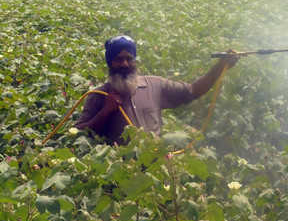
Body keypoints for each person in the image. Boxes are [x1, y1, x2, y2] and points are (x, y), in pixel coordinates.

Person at [76, 35, 238, 143]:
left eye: (129, 59)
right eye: (118, 59)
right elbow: (78, 134)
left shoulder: (155, 85)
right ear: (110, 63)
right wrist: (106, 111)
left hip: (156, 169)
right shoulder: (98, 95)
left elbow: (193, 90)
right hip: (120, 174)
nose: (124, 64)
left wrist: (220, 66)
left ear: (134, 61)